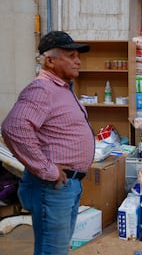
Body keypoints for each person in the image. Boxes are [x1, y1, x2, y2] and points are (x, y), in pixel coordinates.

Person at [1, 31, 95, 254]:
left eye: (77, 56)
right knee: (52, 251)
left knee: (58, 248)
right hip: (52, 186)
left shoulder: (61, 88)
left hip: (66, 186)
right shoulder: (42, 89)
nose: (78, 61)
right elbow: (14, 128)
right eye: (71, 56)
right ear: (50, 60)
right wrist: (47, 169)